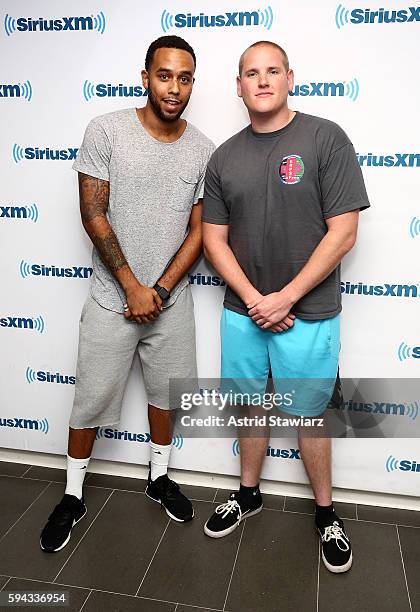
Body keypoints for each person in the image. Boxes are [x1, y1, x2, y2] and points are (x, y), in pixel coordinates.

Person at [40, 35, 214, 553]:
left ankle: (158, 478)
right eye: (165, 75)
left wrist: (158, 289)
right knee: (91, 399)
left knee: (167, 398)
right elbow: (93, 213)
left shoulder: (204, 149)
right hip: (109, 297)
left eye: (185, 78)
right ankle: (72, 495)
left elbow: (200, 232)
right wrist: (132, 287)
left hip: (171, 301)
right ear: (145, 77)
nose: (174, 88)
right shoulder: (107, 130)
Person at [202, 41, 370, 573]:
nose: (262, 80)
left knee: (310, 414)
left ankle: (326, 513)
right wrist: (256, 301)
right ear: (238, 86)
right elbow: (213, 240)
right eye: (251, 73)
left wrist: (286, 298)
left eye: (272, 70)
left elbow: (344, 231)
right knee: (249, 407)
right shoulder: (224, 156)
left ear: (290, 77)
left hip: (310, 312)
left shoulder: (326, 138)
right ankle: (247, 494)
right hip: (243, 311)